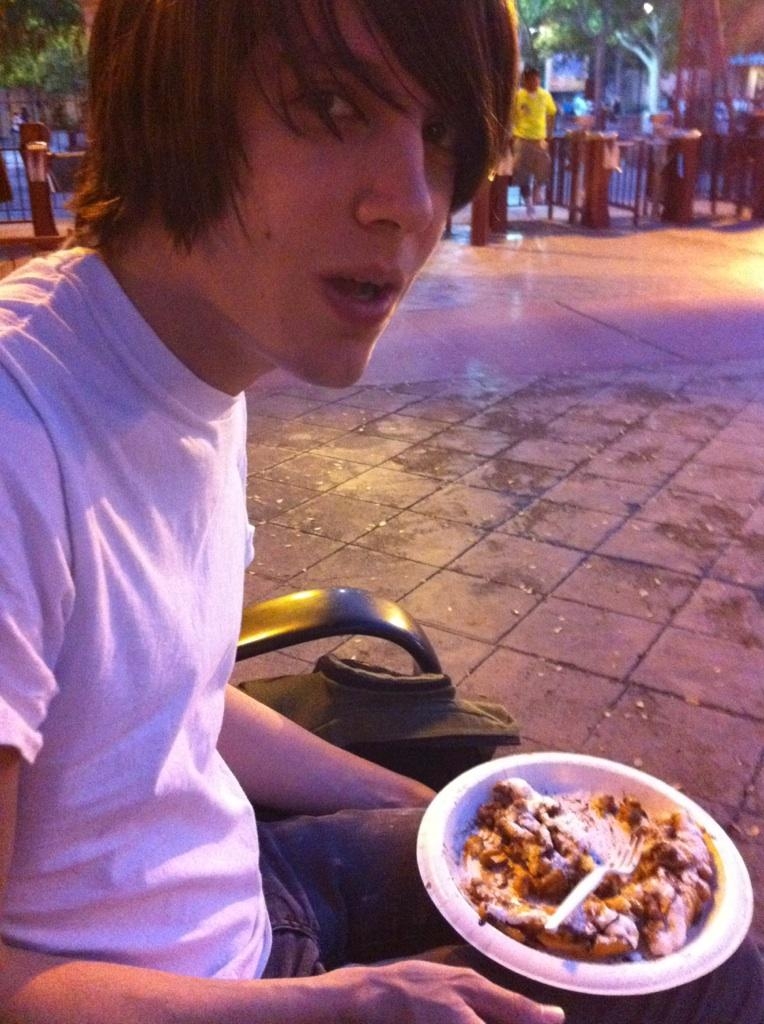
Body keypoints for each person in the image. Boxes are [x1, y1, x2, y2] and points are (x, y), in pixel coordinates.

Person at [0, 2, 761, 1023]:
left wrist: (429, 809)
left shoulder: (196, 350)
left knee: (675, 920)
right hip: (181, 990)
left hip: (253, 886)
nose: (411, 203)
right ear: (169, 101)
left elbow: (167, 699)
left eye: (439, 133)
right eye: (331, 106)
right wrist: (337, 1007)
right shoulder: (21, 434)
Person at [512, 66, 557, 218]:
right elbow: (511, 116)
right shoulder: (518, 96)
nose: (534, 82)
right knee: (521, 173)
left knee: (544, 168)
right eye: (531, 79)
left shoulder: (545, 95)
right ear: (525, 81)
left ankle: (538, 191)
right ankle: (528, 204)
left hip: (539, 139)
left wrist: (549, 135)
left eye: (537, 79)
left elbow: (551, 114)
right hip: (522, 139)